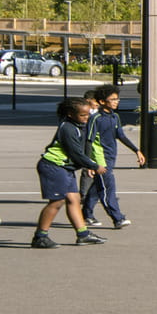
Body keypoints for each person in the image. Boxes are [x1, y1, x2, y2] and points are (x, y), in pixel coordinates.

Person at [33, 98, 104, 248]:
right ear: (71, 114)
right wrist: (93, 165)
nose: (86, 118)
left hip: (66, 168)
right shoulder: (68, 128)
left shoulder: (79, 126)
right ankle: (40, 236)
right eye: (82, 115)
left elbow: (86, 147)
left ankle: (83, 234)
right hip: (54, 166)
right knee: (57, 201)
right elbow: (75, 153)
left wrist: (90, 162)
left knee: (74, 199)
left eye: (88, 114)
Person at [81, 85, 144, 230]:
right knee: (108, 189)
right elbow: (89, 141)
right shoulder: (95, 118)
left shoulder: (115, 116)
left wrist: (137, 150)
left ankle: (86, 214)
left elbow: (120, 135)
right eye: (113, 99)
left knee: (97, 187)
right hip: (100, 160)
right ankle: (118, 218)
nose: (116, 101)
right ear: (102, 102)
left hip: (111, 157)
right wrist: (89, 163)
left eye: (117, 99)